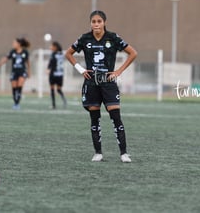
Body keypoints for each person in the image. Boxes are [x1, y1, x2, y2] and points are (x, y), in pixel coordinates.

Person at [65, 10, 137, 163]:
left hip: (108, 83)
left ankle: (123, 153)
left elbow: (133, 53)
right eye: (93, 21)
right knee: (94, 119)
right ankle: (98, 152)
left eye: (99, 21)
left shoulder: (113, 37)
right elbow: (68, 53)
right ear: (90, 23)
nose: (96, 24)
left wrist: (118, 71)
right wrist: (80, 69)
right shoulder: (85, 38)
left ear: (104, 22)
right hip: (91, 83)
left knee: (115, 117)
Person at [0, 38, 30, 110]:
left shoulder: (25, 52)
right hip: (14, 72)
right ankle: (15, 102)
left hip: (22, 72)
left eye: (14, 43)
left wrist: (29, 71)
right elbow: (5, 59)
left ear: (19, 44)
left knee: (19, 86)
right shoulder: (12, 52)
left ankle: (17, 103)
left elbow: (28, 63)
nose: (13, 44)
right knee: (14, 88)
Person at [47, 41, 67, 109]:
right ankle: (64, 100)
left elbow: (51, 63)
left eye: (51, 46)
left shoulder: (53, 54)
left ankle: (53, 105)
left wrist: (48, 69)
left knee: (52, 89)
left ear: (55, 47)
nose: (50, 47)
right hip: (60, 74)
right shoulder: (61, 54)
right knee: (58, 89)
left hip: (53, 74)